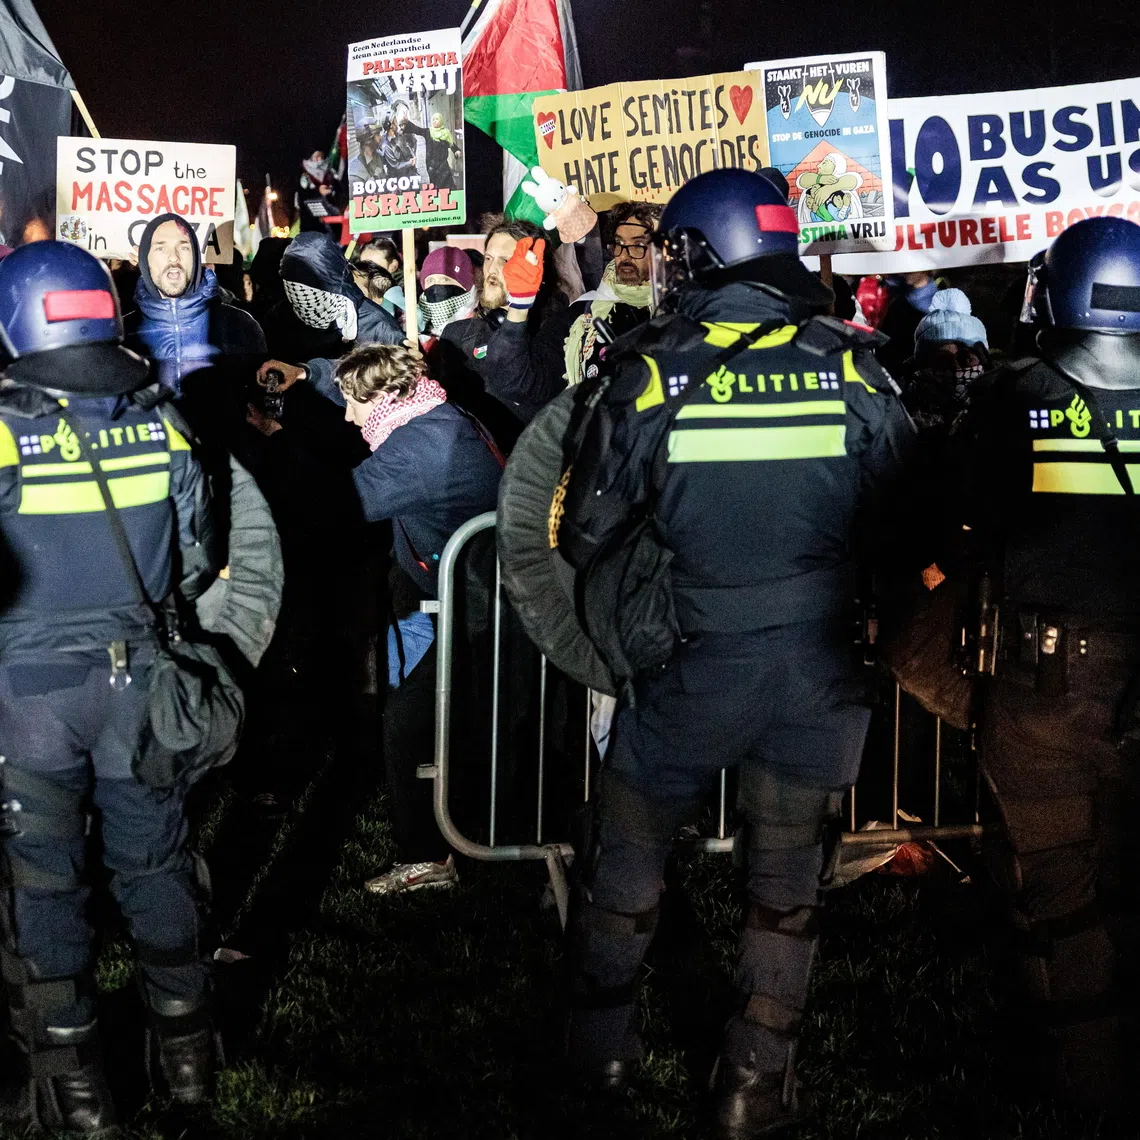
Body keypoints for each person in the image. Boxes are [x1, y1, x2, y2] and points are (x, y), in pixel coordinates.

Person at [557, 169, 914, 1136]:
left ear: (700, 253)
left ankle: (599, 1066)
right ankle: (753, 1084)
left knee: (625, 864)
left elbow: (585, 531)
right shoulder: (856, 367)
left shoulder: (647, 371)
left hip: (688, 667)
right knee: (786, 881)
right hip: (819, 671)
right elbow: (902, 521)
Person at [0, 242, 225, 1131]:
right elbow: (200, 556)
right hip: (140, 689)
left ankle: (79, 1099)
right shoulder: (160, 416)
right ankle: (191, 1072)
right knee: (158, 866)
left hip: (29, 698)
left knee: (45, 887)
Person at [960, 216, 1140, 1113]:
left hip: (1044, 685)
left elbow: (962, 516)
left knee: (1060, 877)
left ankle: (1084, 1079)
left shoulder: (1011, 397)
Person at [253, 344, 502, 894]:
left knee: (409, 725)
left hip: (485, 612)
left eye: (354, 404)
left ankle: (431, 857)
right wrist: (308, 378)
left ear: (387, 397)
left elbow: (335, 505)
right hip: (459, 596)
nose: (349, 415)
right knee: (402, 699)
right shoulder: (428, 412)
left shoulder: (420, 449)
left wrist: (276, 444)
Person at [436, 216, 568, 442]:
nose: (492, 269)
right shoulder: (456, 335)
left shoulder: (559, 329)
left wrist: (520, 305)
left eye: (506, 260)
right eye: (488, 258)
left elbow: (515, 382)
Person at [123, 213, 266, 399]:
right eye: (160, 248)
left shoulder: (240, 326)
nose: (173, 258)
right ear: (144, 260)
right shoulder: (122, 334)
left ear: (197, 257)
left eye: (184, 247)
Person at [563, 202, 659, 387]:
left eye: (638, 245)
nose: (624, 256)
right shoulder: (585, 309)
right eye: (619, 244)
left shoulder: (682, 311)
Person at [900, 288, 991, 435]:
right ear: (923, 364)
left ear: (983, 359)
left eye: (966, 359)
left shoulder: (1001, 408)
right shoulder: (902, 412)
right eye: (942, 360)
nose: (956, 369)